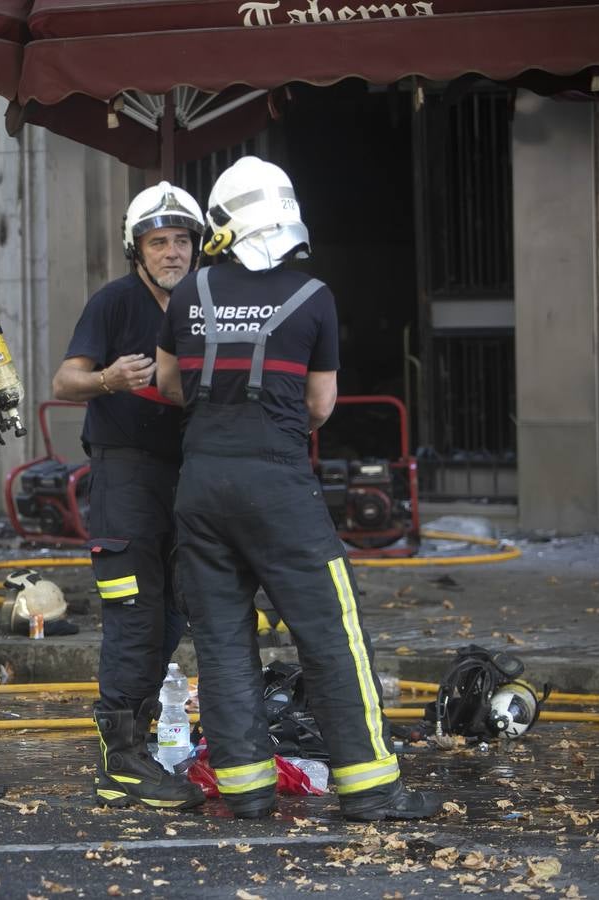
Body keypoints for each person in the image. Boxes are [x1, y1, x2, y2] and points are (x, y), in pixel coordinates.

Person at [155, 156, 439, 821]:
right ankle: (372, 788)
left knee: (223, 642)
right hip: (278, 484)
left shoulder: (186, 294)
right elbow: (321, 403)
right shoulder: (313, 298)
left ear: (223, 223)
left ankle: (247, 788)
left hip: (200, 485)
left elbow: (170, 386)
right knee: (333, 635)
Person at [51, 181, 206, 810]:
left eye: (181, 240)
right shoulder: (114, 302)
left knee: (174, 612)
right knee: (135, 614)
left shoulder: (205, 301)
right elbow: (65, 380)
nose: (172, 252)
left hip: (186, 476)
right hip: (125, 478)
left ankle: (135, 745)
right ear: (136, 249)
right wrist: (108, 379)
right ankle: (121, 762)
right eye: (158, 241)